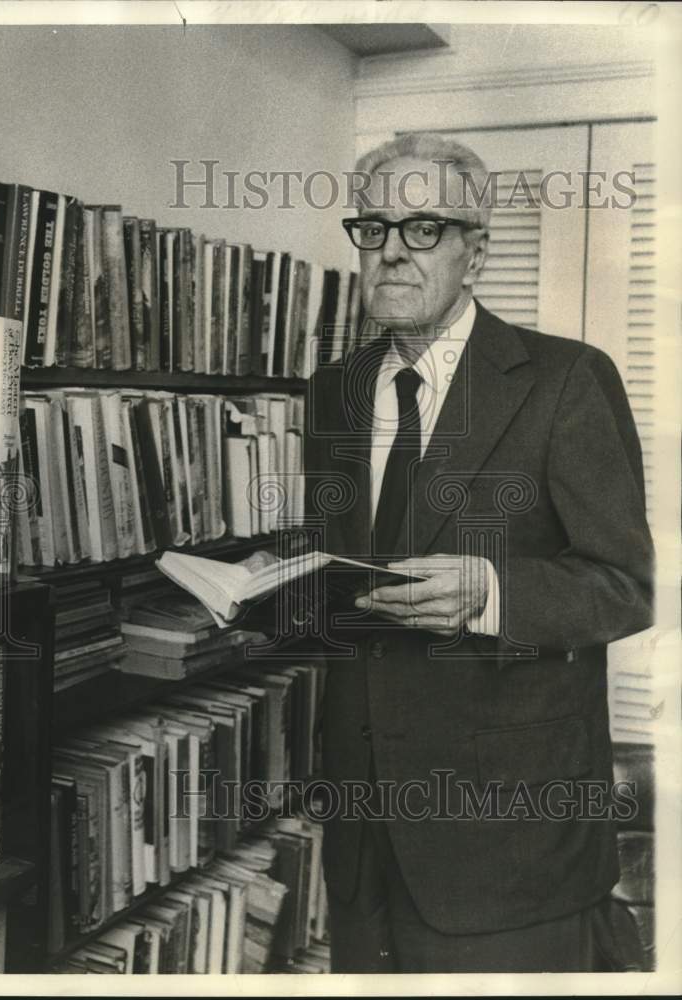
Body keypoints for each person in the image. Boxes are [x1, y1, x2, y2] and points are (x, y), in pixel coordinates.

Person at [245, 132, 654, 973]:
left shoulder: (567, 379)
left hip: (510, 837)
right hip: (362, 824)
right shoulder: (335, 391)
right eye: (374, 227)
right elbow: (353, 571)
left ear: (476, 254)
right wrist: (276, 588)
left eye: (424, 227)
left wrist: (491, 593)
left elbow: (624, 585)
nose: (392, 251)